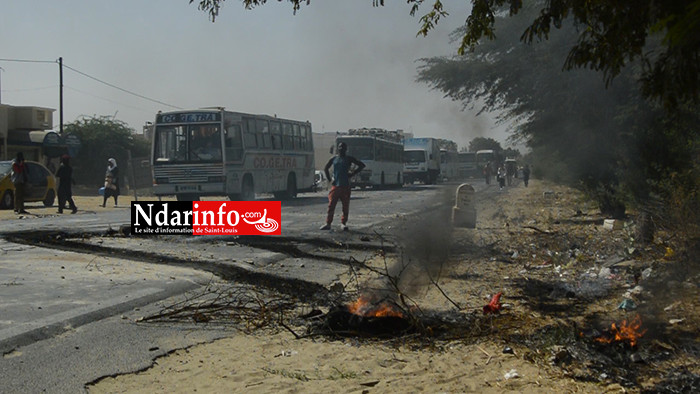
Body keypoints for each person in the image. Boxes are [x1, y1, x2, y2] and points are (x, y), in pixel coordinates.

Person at [320, 142, 365, 231]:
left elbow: (362, 165)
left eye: (343, 148)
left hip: (345, 186)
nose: (341, 149)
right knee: (331, 205)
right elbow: (326, 168)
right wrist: (329, 179)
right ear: (338, 149)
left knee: (345, 206)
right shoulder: (334, 159)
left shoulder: (348, 159)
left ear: (346, 149)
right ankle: (328, 223)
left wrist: (352, 174)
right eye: (340, 148)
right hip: (336, 185)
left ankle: (343, 223)